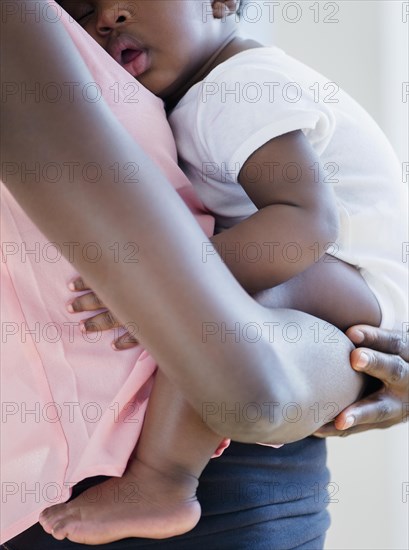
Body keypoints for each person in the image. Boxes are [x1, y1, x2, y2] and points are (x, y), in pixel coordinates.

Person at [1, 2, 408, 549]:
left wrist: (151, 288)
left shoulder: (238, 88)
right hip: (334, 280)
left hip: (347, 273)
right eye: (83, 10)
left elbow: (305, 226)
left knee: (214, 316)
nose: (107, 17)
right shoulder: (205, 93)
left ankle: (163, 481)